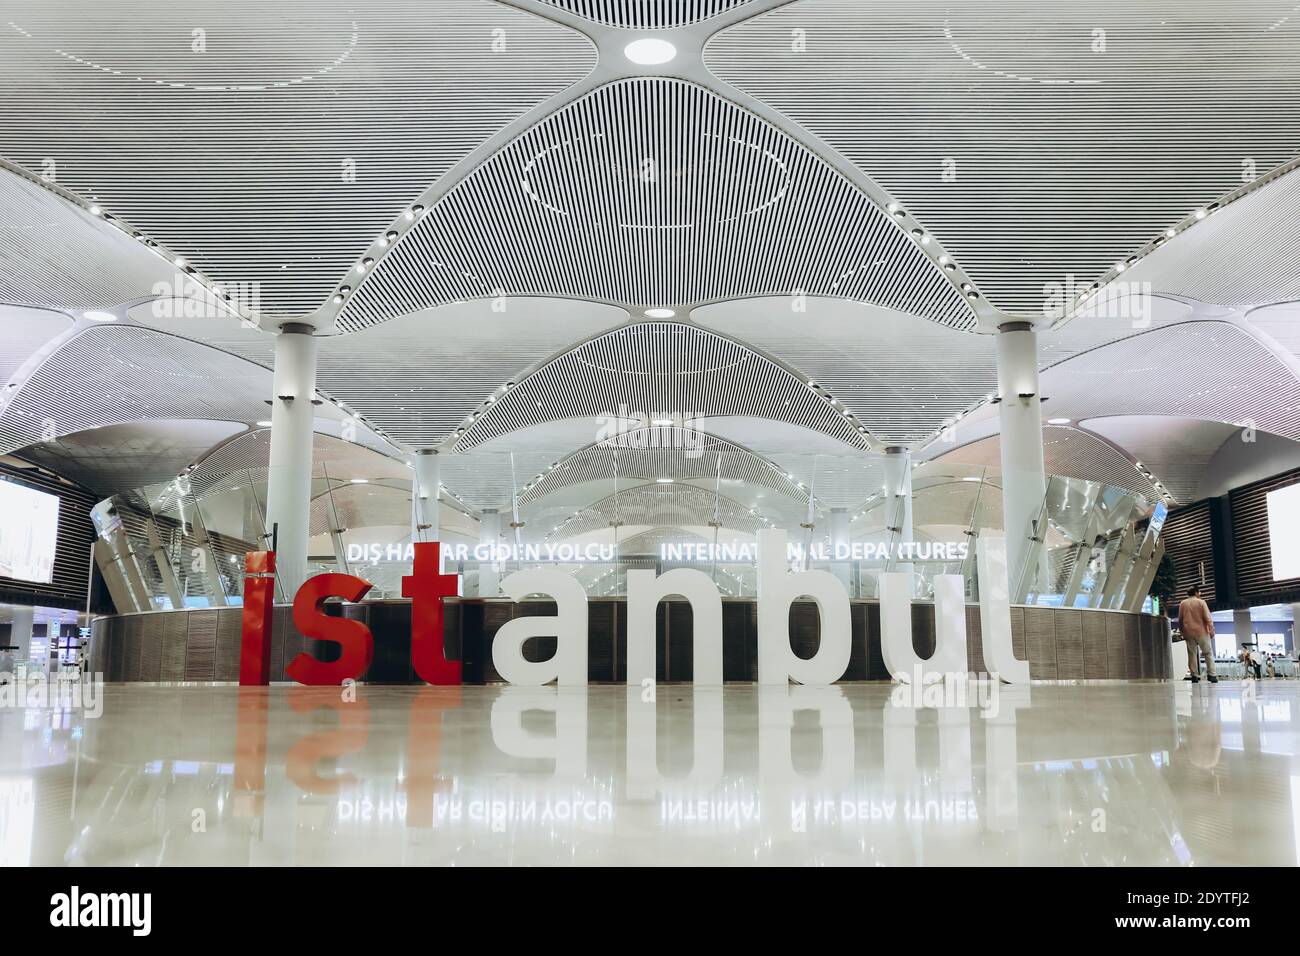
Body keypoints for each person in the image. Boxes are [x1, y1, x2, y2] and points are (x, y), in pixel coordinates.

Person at [1178, 586, 1218, 683]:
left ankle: (1194, 676)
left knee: (1192, 654)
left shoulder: (1183, 603)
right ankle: (1211, 675)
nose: (1200, 594)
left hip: (1188, 632)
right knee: (1208, 653)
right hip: (1202, 632)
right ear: (1196, 593)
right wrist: (1211, 629)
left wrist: (1182, 631)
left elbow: (1180, 619)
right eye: (1199, 592)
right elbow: (1207, 617)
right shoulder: (1201, 602)